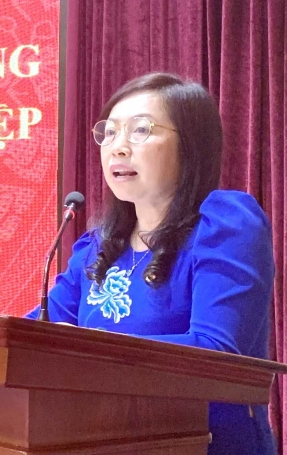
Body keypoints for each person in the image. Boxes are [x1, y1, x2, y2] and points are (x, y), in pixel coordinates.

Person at [28, 72, 276, 455]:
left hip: (205, 444)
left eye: (140, 130)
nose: (118, 148)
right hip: (101, 439)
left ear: (190, 145)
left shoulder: (225, 225)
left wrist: (82, 352)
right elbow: (34, 335)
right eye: (110, 133)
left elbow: (216, 352)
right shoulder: (97, 248)